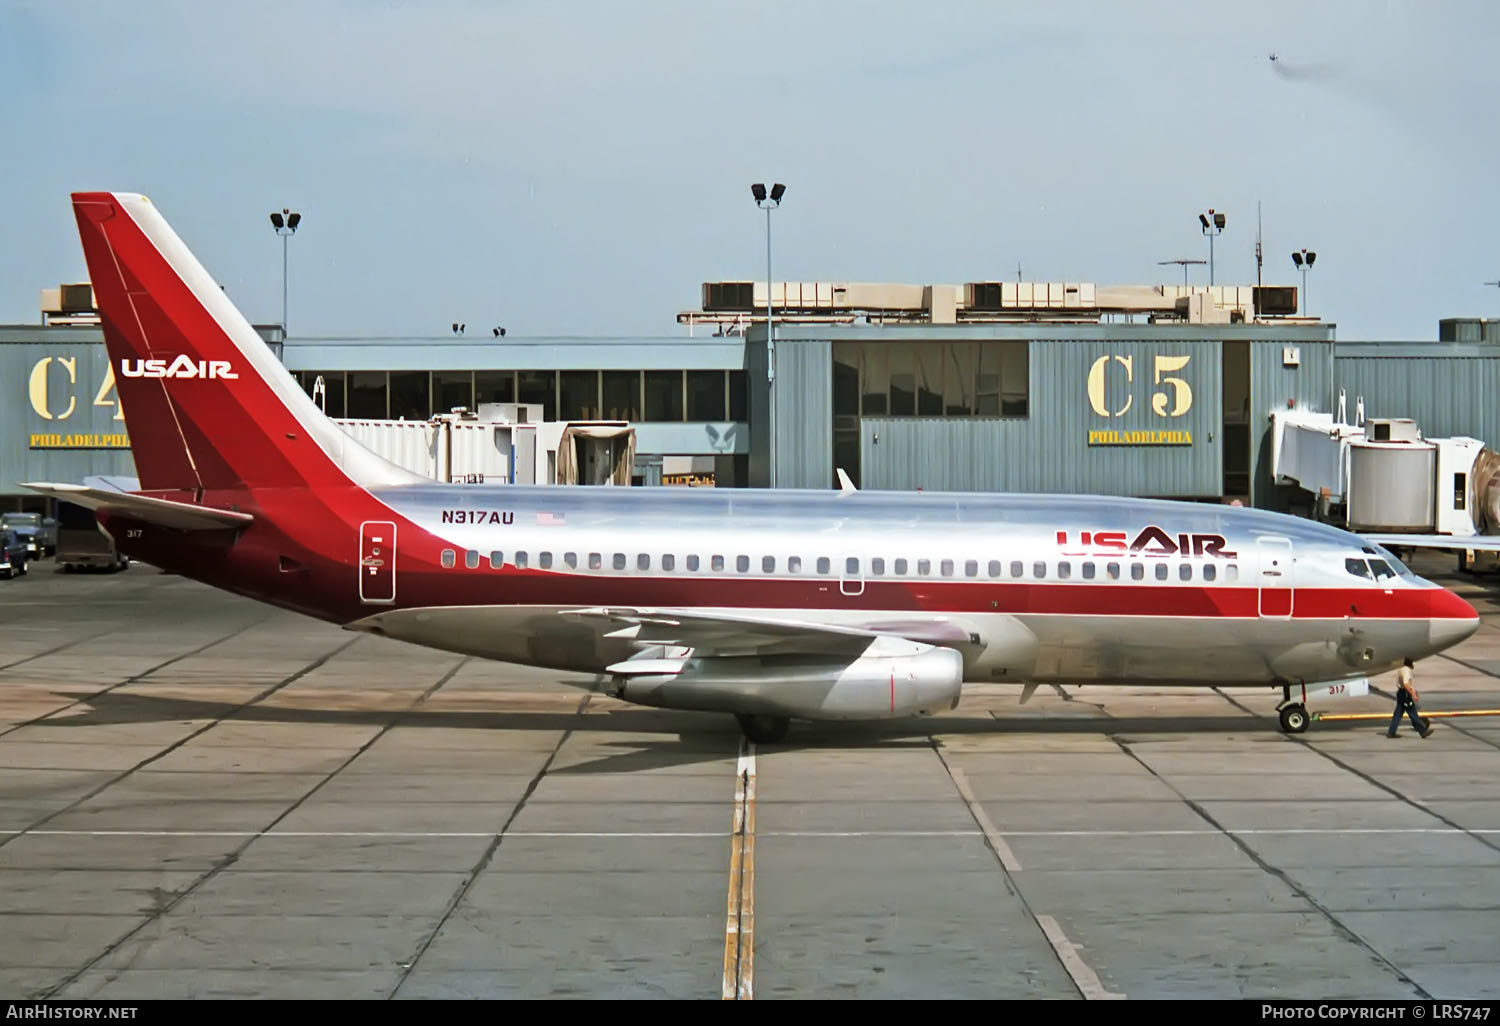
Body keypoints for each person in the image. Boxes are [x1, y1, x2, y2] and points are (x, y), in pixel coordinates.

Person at [1388, 658, 1433, 738]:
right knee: (1413, 713)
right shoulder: (1407, 671)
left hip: (1401, 693)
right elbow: (1406, 684)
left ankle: (1391, 732)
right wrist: (1413, 694)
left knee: (1397, 714)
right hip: (1406, 694)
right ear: (1411, 664)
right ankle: (1423, 731)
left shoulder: (1401, 669)